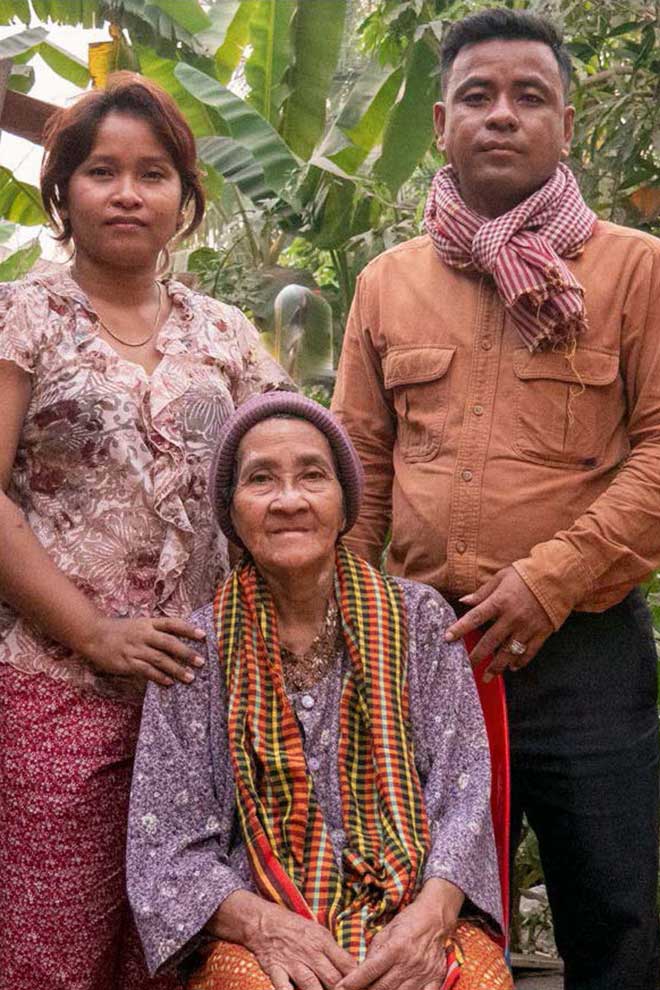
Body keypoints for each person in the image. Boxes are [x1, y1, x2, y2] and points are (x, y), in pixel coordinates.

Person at [331, 8, 660, 989]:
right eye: (477, 96)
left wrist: (550, 580)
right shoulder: (389, 285)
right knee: (440, 923)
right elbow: (360, 465)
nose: (500, 115)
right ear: (440, 123)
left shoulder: (636, 271)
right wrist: (353, 632)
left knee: (618, 912)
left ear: (565, 121)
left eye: (528, 96)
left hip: (588, 656)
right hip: (429, 659)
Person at [0, 74, 289, 990]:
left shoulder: (227, 333)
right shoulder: (26, 316)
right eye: (101, 172)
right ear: (63, 194)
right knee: (51, 943)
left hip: (203, 692)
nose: (128, 192)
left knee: (181, 940)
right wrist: (93, 632)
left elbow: (293, 476)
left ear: (184, 196)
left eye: (153, 173)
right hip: (57, 684)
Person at [126, 391, 512, 990]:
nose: (289, 500)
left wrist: (429, 920)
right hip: (261, 920)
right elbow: (166, 850)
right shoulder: (194, 651)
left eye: (312, 475)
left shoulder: (419, 620)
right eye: (260, 480)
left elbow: (462, 797)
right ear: (231, 511)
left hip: (412, 905)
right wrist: (265, 927)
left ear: (343, 503)